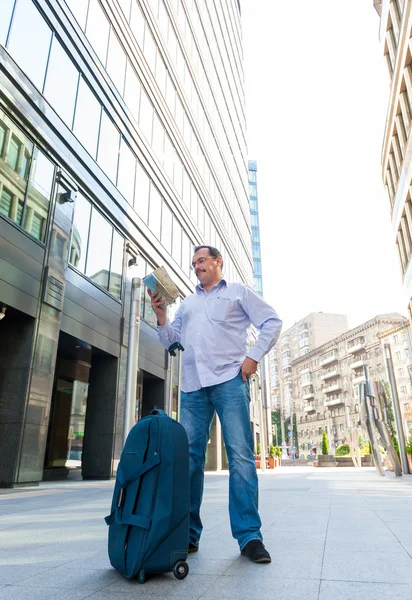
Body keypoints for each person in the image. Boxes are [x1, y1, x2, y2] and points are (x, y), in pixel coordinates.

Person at [149, 245, 282, 563]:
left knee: (240, 458)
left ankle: (249, 537)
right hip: (193, 388)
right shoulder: (188, 304)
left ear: (218, 262)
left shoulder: (237, 292)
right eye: (193, 263)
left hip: (230, 382)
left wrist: (253, 357)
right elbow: (171, 342)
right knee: (190, 462)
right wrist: (162, 316)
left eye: (202, 261)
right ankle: (188, 534)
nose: (196, 266)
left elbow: (272, 322)